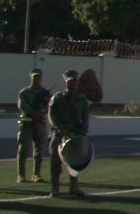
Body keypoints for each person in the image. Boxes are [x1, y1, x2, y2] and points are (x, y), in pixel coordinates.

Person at [47, 70, 90, 198]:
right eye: (70, 81)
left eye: (75, 81)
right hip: (60, 133)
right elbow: (51, 114)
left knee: (75, 161)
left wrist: (84, 127)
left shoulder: (81, 98)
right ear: (64, 82)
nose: (73, 84)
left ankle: (74, 187)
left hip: (75, 133)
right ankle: (55, 188)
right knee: (56, 161)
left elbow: (85, 114)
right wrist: (58, 127)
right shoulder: (58, 97)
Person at [17, 68, 51, 183]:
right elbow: (22, 105)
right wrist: (32, 112)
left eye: (39, 77)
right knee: (23, 149)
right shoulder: (24, 92)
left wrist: (40, 114)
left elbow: (49, 106)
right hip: (27, 123)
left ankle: (36, 174)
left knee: (39, 149)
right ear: (30, 78)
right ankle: (21, 175)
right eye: (35, 77)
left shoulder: (45, 93)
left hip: (40, 124)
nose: (37, 79)